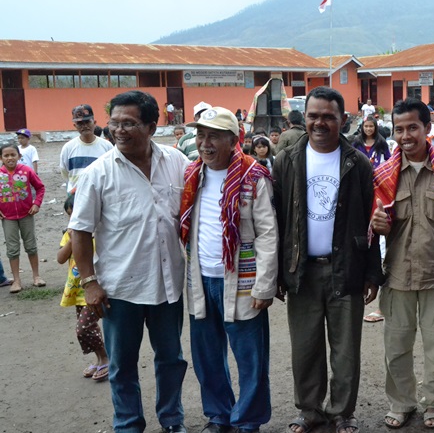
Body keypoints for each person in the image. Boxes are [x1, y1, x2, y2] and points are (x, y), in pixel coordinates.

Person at [70, 90, 190, 433]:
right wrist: (89, 283)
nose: (118, 130)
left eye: (129, 123)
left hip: (169, 286)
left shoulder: (176, 162)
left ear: (151, 126)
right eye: (114, 123)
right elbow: (80, 231)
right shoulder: (98, 173)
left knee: (171, 360)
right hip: (119, 290)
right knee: (122, 365)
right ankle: (128, 425)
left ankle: (171, 420)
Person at [272, 87, 384, 433]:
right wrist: (278, 271)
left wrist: (371, 272)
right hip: (302, 270)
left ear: (342, 120)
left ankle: (342, 413)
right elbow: (277, 220)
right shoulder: (286, 159)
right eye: (313, 115)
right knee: (305, 348)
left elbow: (371, 220)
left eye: (328, 116)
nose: (320, 122)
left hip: (345, 269)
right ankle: (309, 410)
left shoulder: (358, 163)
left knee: (345, 350)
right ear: (304, 118)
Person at [181, 107, 278, 433]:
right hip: (200, 279)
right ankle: (219, 416)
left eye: (213, 136)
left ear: (233, 139)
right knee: (207, 358)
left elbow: (267, 233)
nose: (204, 144)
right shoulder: (193, 175)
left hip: (243, 282)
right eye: (200, 135)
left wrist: (265, 285)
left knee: (250, 360)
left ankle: (248, 421)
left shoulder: (253, 177)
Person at [370, 98, 434, 429]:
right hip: (397, 274)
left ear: (427, 128)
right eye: (399, 129)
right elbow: (373, 222)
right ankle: (401, 401)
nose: (406, 135)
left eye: (413, 127)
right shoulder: (382, 175)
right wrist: (376, 224)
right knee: (396, 346)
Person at [57, 191, 110, 382]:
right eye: (69, 215)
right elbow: (60, 258)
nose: (73, 218)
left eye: (75, 213)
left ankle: (106, 357)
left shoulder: (98, 232)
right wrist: (72, 239)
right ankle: (99, 358)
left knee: (83, 328)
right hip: (77, 291)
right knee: (90, 328)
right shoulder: (69, 235)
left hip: (95, 288)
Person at [0, 142, 46, 293]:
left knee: (31, 245)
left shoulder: (27, 171)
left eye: (13, 155)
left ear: (19, 156)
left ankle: (36, 276)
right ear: (1, 158)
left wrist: (37, 204)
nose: (10, 158)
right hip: (8, 218)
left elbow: (40, 187)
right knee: (12, 249)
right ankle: (16, 281)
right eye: (6, 155)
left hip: (27, 214)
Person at [60, 104, 114, 193]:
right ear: (75, 126)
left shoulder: (107, 146)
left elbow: (111, 172)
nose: (84, 126)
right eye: (80, 123)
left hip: (101, 195)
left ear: (95, 122)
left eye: (87, 122)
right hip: (76, 196)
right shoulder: (68, 148)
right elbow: (65, 173)